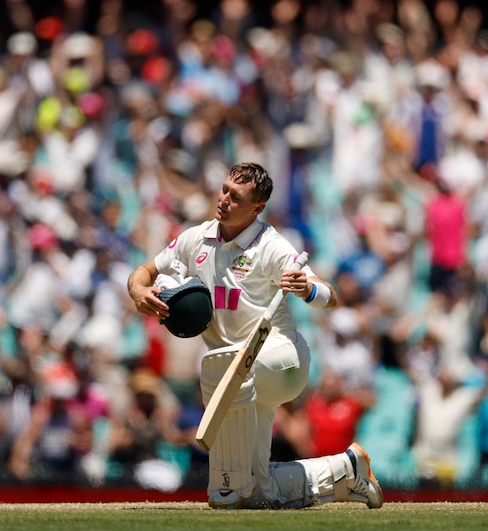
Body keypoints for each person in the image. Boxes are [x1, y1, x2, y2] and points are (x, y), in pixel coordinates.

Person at [127, 162, 383, 509]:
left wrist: (308, 288)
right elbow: (145, 271)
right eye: (224, 190)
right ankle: (347, 470)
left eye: (236, 197)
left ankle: (228, 483)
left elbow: (331, 296)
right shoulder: (196, 238)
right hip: (234, 372)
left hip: (282, 358)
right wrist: (138, 291)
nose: (224, 200)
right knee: (256, 491)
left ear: (257, 208)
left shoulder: (272, 246)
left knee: (223, 376)